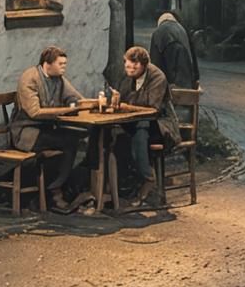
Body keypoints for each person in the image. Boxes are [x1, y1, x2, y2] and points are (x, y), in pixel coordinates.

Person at [10, 46, 98, 211]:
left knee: (81, 134)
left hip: (46, 129)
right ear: (47, 64)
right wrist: (66, 110)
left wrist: (90, 104)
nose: (64, 67)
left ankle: (61, 186)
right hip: (27, 132)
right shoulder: (30, 78)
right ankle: (55, 192)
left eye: (65, 64)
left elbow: (76, 98)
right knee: (70, 142)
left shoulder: (59, 78)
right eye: (61, 64)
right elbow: (34, 112)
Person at [115, 46, 181, 205]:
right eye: (128, 66)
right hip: (133, 121)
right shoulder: (127, 75)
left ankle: (148, 179)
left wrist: (128, 107)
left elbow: (153, 109)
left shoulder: (157, 77)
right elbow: (122, 96)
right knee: (111, 133)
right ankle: (113, 184)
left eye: (135, 67)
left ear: (144, 65)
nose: (130, 70)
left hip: (160, 125)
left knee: (141, 127)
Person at [150, 11, 199, 89]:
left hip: (168, 74)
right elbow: (192, 54)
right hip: (185, 73)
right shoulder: (182, 29)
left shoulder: (158, 32)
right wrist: (196, 77)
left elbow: (155, 59)